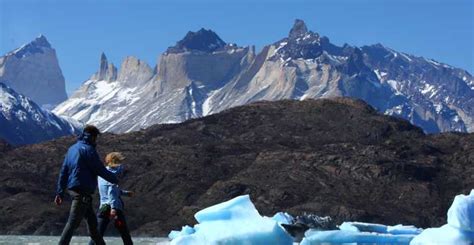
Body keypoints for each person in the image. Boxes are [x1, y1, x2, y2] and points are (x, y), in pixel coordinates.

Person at [55, 125, 119, 245]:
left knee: (93, 229)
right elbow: (99, 169)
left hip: (76, 191)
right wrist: (115, 179)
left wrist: (60, 192)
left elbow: (63, 172)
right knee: (72, 223)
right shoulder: (89, 150)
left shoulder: (71, 149)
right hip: (82, 192)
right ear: (93, 137)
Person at [89, 152, 134, 245]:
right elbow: (111, 191)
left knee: (98, 234)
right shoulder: (114, 174)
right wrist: (113, 209)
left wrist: (124, 193)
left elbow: (109, 189)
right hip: (114, 208)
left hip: (104, 207)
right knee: (125, 234)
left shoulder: (102, 173)